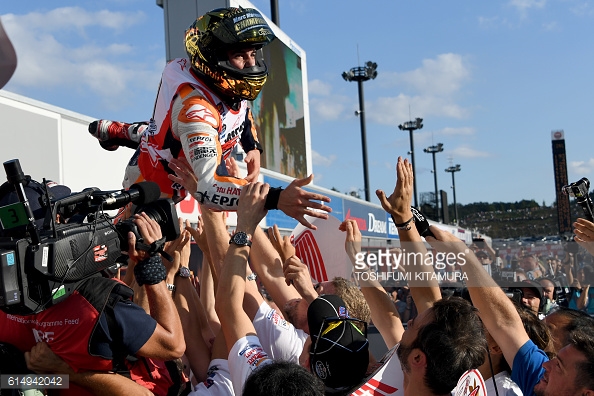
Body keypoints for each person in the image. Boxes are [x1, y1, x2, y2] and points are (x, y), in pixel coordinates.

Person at [88, 7, 330, 230]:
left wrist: (252, 146)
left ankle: (116, 131)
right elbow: (208, 186)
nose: (251, 64)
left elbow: (241, 111)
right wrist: (276, 198)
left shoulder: (225, 85)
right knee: (128, 239)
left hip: (175, 139)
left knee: (158, 133)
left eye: (253, 53)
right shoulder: (196, 109)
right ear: (213, 58)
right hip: (156, 180)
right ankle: (117, 134)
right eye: (239, 55)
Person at [0, 177, 185, 395]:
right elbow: (173, 347)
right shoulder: (98, 302)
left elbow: (10, 381)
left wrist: (41, 380)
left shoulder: (6, 305)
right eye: (64, 216)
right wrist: (151, 266)